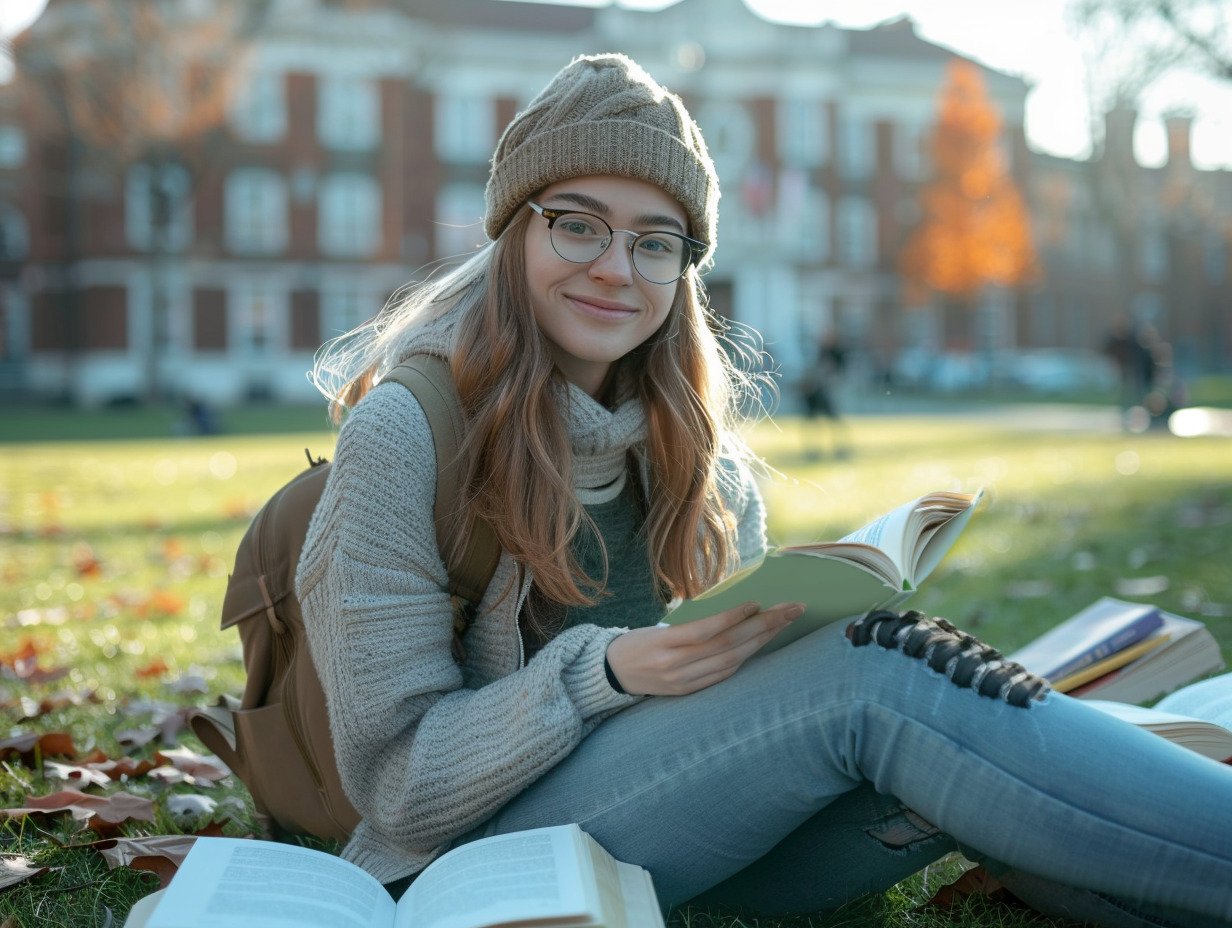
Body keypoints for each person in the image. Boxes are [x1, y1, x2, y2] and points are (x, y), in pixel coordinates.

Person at [297, 54, 1232, 926]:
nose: (617, 268)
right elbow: (398, 785)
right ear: (512, 232)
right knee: (883, 674)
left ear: (685, 268)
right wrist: (606, 673)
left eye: (655, 241)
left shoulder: (696, 447)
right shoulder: (407, 434)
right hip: (478, 863)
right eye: (577, 223)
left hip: (698, 828)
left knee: (981, 733)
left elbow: (756, 704)